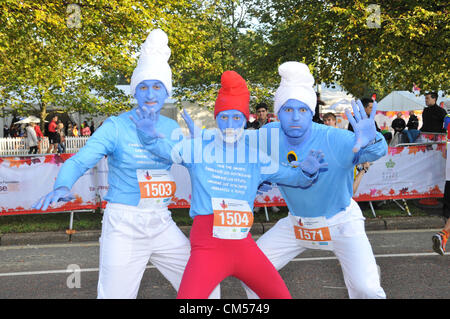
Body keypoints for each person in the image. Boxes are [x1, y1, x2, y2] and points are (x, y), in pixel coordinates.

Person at [32, 29, 218, 299]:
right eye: (143, 87)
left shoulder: (171, 126)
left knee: (205, 289)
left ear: (166, 91)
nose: (150, 94)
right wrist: (62, 185)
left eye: (157, 87)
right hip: (124, 224)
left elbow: (200, 167)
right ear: (135, 91)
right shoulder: (116, 126)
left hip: (162, 221)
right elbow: (80, 161)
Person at [133, 70, 327, 299]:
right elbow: (164, 150)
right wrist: (148, 136)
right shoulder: (199, 149)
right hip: (207, 248)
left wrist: (308, 171)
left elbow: (292, 177)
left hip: (243, 247)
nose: (230, 124)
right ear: (216, 119)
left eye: (237, 117)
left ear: (246, 120)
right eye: (224, 117)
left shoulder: (255, 157)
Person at [243, 61, 387, 299]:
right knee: (250, 273)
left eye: (302, 110)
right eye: (288, 110)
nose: (296, 118)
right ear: (276, 114)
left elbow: (373, 152)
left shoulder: (334, 138)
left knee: (366, 289)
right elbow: (234, 146)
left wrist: (373, 140)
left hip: (340, 223)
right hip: (297, 225)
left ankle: (366, 274)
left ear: (312, 112)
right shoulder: (267, 135)